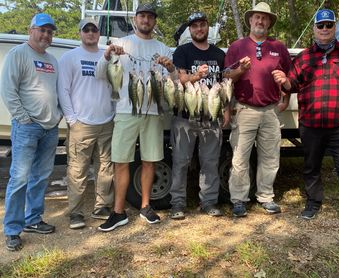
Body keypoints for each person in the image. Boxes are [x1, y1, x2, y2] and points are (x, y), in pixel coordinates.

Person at [272, 9, 339, 232]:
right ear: (314, 29)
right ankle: (313, 203)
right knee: (311, 167)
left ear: (334, 27)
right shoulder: (304, 56)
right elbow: (292, 86)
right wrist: (283, 80)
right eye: (320, 25)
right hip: (311, 124)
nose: (324, 29)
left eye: (329, 25)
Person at [95, 3, 176, 231]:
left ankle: (145, 206)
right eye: (142, 16)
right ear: (135, 19)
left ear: (155, 21)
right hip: (125, 110)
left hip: (153, 112)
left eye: (150, 17)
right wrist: (108, 54)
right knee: (121, 161)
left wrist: (170, 69)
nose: (146, 20)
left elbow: (175, 82)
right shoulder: (120, 43)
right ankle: (118, 212)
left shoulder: (163, 48)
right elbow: (100, 74)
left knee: (150, 160)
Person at [224, 2, 291, 217]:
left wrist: (286, 98)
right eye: (257, 18)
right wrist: (240, 70)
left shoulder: (279, 47)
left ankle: (265, 197)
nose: (260, 21)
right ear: (250, 21)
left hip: (271, 110)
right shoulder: (237, 47)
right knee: (240, 157)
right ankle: (239, 200)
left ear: (269, 22)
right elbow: (226, 78)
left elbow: (290, 77)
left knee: (270, 157)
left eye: (264, 18)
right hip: (245, 109)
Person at [0, 13, 61, 251]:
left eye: (49, 31)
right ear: (30, 30)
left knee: (42, 176)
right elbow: (8, 91)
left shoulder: (52, 60)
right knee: (20, 177)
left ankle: (33, 220)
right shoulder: (18, 54)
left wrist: (58, 115)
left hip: (50, 127)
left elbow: (55, 91)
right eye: (42, 30)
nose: (46, 35)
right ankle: (12, 229)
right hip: (27, 127)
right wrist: (23, 119)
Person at [57, 18, 115, 229]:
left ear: (99, 33)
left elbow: (114, 87)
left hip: (107, 121)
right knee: (77, 170)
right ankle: (76, 212)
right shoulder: (69, 57)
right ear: (80, 33)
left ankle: (102, 206)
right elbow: (63, 90)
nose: (90, 33)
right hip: (81, 123)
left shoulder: (108, 56)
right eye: (86, 29)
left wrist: (114, 113)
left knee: (105, 168)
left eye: (94, 29)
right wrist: (72, 119)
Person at [169, 12, 228, 219]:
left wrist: (226, 110)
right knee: (180, 161)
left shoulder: (220, 54)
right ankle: (177, 203)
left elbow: (225, 85)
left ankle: (209, 201)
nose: (199, 29)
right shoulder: (182, 51)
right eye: (194, 26)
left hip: (211, 116)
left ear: (208, 27)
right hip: (184, 116)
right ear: (190, 30)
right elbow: (180, 79)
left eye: (202, 25)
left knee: (210, 161)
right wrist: (197, 76)